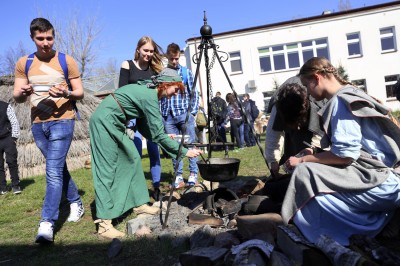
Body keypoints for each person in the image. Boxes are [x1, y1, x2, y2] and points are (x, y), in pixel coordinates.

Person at [281, 57, 400, 246]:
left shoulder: (340, 102)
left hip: (381, 182)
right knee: (312, 170)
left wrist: (304, 160)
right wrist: (314, 152)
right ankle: (378, 221)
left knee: (304, 174)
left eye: (307, 85)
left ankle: (347, 232)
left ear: (317, 77)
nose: (309, 94)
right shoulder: (352, 92)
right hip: (387, 177)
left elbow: (345, 156)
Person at [89, 68, 203, 239]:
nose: (175, 94)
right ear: (165, 84)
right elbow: (156, 134)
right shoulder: (149, 96)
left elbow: (145, 127)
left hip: (115, 121)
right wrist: (185, 152)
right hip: (104, 121)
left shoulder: (149, 92)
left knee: (133, 158)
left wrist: (164, 136)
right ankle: (104, 225)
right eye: (175, 89)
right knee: (107, 169)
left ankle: (139, 204)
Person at [13, 18, 85, 244]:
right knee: (58, 168)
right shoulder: (24, 63)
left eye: (49, 38)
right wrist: (23, 92)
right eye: (40, 38)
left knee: (52, 171)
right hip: (37, 123)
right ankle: (75, 201)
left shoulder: (66, 61)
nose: (46, 43)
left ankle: (47, 223)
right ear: (32, 38)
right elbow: (16, 95)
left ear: (54, 36)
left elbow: (79, 92)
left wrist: (65, 94)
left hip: (63, 120)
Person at [118, 36, 163, 201]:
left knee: (154, 149)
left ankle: (156, 187)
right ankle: (138, 190)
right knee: (135, 151)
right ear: (138, 49)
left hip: (149, 114)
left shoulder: (155, 70)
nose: (148, 54)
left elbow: (158, 94)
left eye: (151, 51)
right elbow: (121, 92)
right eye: (146, 50)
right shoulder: (127, 65)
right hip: (131, 115)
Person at [160, 43, 200, 189]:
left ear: (179, 57)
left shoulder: (185, 72)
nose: (174, 62)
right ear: (167, 58)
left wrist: (192, 112)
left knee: (190, 144)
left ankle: (193, 174)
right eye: (172, 59)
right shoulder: (163, 74)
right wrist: (161, 114)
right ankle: (178, 176)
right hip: (168, 117)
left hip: (184, 114)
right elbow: (160, 95)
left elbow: (194, 93)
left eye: (176, 59)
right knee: (174, 147)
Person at [0, 101, 21, 195]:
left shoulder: (6, 106)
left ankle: (15, 185)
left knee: (11, 161)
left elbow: (14, 122)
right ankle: (3, 188)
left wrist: (14, 137)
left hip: (7, 138)